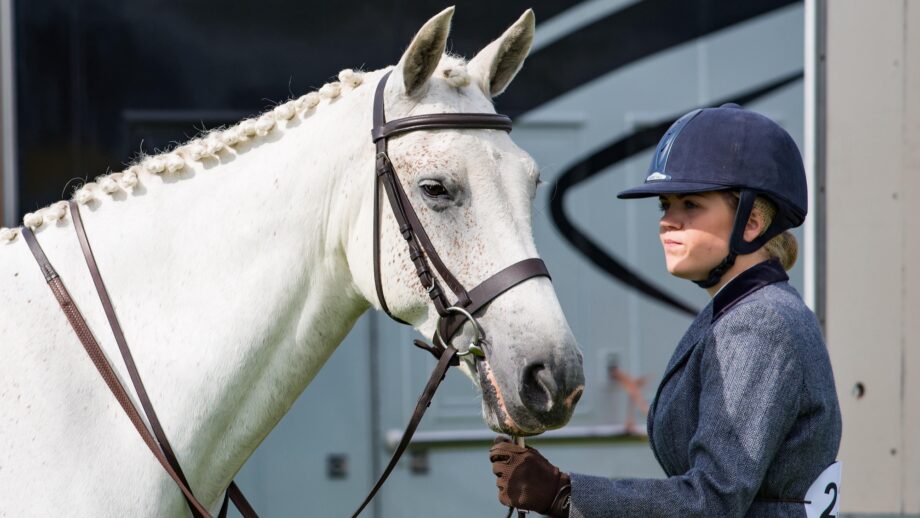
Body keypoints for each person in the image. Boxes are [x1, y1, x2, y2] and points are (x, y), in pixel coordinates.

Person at [488, 104, 842, 517]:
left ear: (753, 221)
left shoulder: (759, 322)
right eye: (664, 205)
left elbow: (712, 501)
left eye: (690, 204)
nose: (667, 222)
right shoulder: (740, 311)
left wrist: (563, 494)